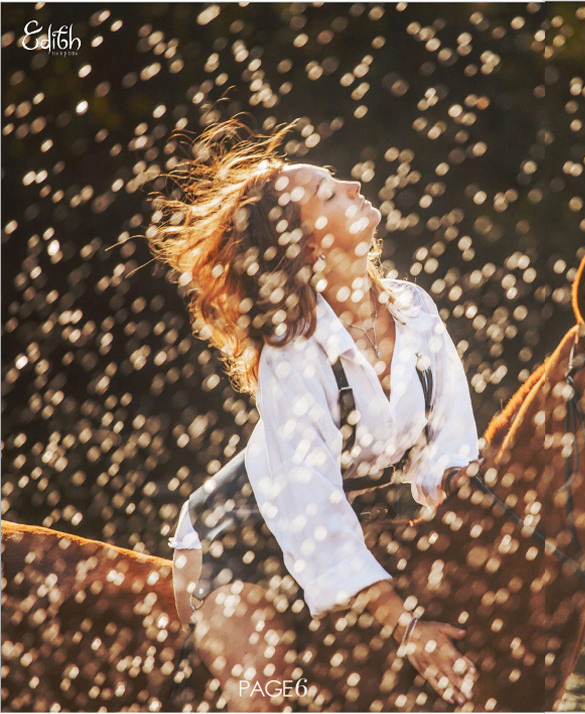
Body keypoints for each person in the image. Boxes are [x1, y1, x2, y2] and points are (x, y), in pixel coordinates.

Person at [150, 119, 479, 709]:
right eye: (330, 192)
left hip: (368, 521)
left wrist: (460, 488)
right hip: (240, 543)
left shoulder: (417, 310)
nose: (354, 184)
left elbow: (450, 449)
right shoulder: (292, 353)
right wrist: (408, 631)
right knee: (269, 691)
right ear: (307, 244)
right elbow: (317, 519)